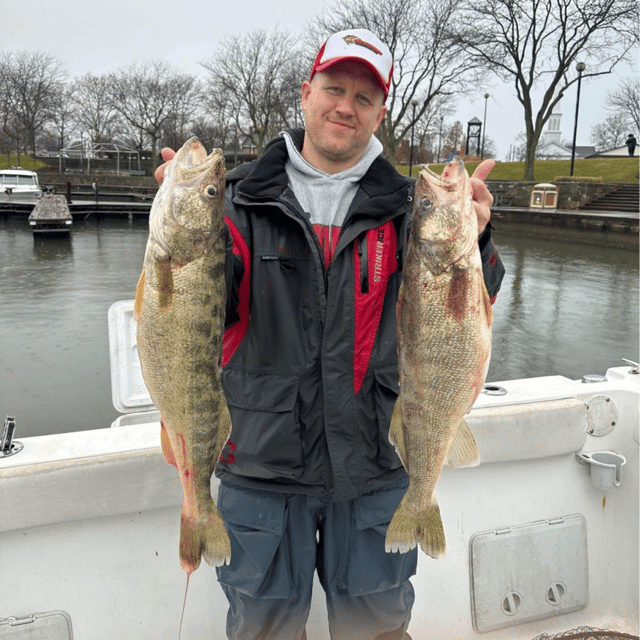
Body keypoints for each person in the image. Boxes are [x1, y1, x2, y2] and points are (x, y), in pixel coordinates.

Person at [156, 28, 504, 640]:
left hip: (376, 466)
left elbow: (466, 313)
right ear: (306, 92)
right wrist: (180, 219)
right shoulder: (238, 202)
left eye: (364, 97)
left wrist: (476, 240)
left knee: (377, 629)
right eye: (334, 88)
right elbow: (195, 307)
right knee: (261, 629)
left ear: (380, 111)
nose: (346, 106)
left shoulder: (408, 205)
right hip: (258, 467)